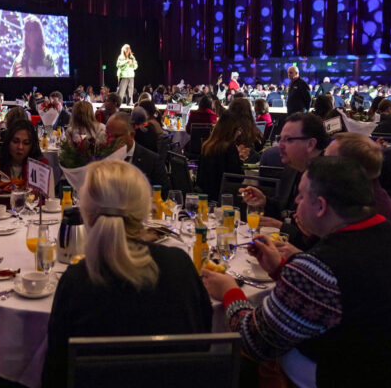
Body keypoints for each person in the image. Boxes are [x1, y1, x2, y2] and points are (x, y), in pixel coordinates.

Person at [202, 157, 391, 388]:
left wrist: (229, 290)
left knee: (237, 366)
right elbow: (342, 297)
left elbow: (255, 341)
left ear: (321, 206)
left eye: (301, 195)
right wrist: (280, 270)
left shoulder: (323, 266)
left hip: (357, 376)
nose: (296, 202)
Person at [43, 160, 213, 387]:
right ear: (145, 210)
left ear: (85, 213)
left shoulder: (76, 281)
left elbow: (56, 373)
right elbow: (202, 343)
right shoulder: (180, 266)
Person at [241, 113, 329, 248]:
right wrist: (265, 202)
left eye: (288, 140)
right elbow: (284, 209)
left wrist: (282, 228)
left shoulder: (327, 180)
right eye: (280, 139)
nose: (280, 146)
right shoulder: (292, 169)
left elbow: (319, 240)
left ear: (311, 144)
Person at [324, 133, 391, 225]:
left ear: (349, 171)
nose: (321, 166)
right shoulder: (352, 196)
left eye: (326, 160)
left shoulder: (367, 215)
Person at [105, 112, 170, 193]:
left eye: (116, 136)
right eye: (107, 135)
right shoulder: (103, 158)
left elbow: (163, 193)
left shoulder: (151, 160)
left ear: (132, 135)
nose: (110, 140)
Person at [196, 111, 244, 200]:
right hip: (224, 197)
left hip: (206, 195)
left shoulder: (206, 145)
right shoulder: (229, 148)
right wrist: (240, 160)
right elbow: (237, 178)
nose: (239, 134)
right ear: (233, 130)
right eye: (239, 130)